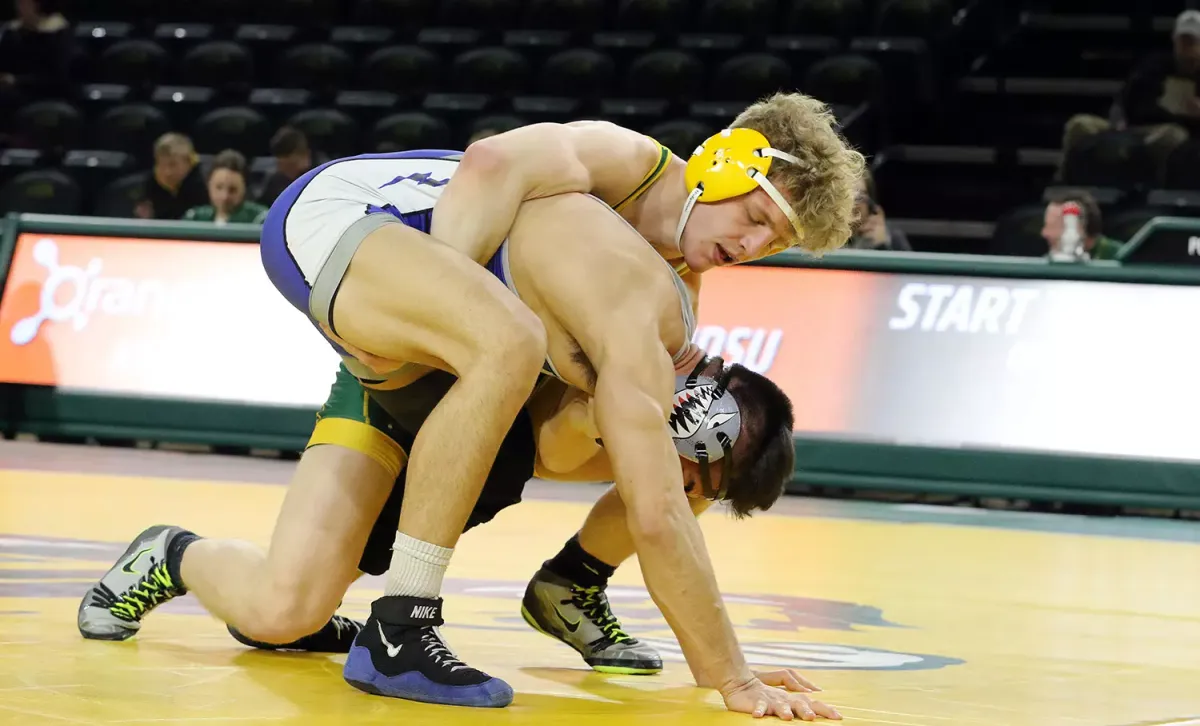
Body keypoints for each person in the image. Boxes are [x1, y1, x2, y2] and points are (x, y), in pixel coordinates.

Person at [79, 92, 863, 715]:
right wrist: (730, 675)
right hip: (357, 224)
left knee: (282, 609)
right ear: (725, 164)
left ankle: (169, 555)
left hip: (422, 363)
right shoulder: (625, 165)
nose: (755, 246)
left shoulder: (672, 302)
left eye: (776, 244)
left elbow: (596, 463)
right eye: (759, 217)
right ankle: (405, 626)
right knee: (513, 346)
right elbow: (489, 162)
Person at [182, 149, 269, 225]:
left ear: (244, 189)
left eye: (233, 190)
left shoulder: (260, 219)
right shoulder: (194, 217)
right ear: (208, 185)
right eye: (218, 187)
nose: (225, 197)